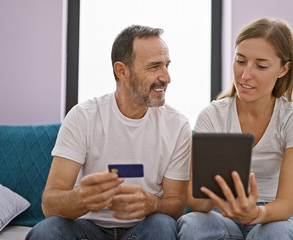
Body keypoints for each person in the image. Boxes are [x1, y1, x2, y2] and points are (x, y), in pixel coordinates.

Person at [26, 25, 191, 240]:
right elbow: (50, 204)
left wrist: (153, 204)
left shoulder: (177, 126)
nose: (166, 77)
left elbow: (177, 205)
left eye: (167, 66)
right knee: (46, 231)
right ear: (121, 71)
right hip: (87, 228)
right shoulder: (83, 117)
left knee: (162, 225)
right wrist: (82, 199)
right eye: (154, 67)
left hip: (144, 229)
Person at [177, 18, 293, 240]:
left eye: (260, 66)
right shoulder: (212, 116)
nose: (245, 75)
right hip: (219, 213)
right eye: (240, 61)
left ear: (283, 69)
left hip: (269, 216)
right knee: (194, 224)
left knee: (279, 233)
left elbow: (286, 204)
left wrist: (255, 213)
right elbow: (195, 203)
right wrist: (216, 195)